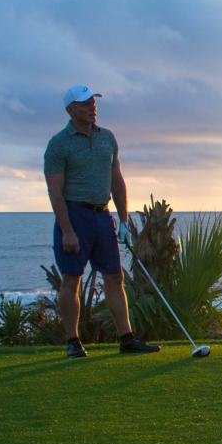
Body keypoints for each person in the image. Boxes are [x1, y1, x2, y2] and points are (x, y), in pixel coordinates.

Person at [43, 84, 160, 358]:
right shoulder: (59, 144)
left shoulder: (107, 138)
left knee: (115, 276)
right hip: (75, 214)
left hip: (102, 215)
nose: (92, 107)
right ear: (71, 109)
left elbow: (117, 180)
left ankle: (126, 338)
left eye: (93, 102)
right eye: (85, 104)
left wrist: (123, 220)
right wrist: (67, 230)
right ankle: (73, 341)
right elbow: (55, 191)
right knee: (72, 279)